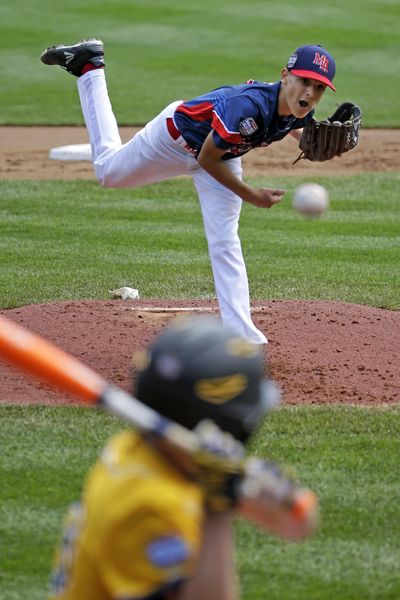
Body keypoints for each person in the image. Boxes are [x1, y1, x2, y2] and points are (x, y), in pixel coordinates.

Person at [41, 40, 336, 345]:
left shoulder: (298, 110)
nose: (309, 93)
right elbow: (206, 159)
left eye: (319, 88)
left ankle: (243, 336)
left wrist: (310, 146)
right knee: (107, 172)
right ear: (285, 75)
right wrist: (251, 195)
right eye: (304, 81)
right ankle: (90, 68)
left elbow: (288, 125)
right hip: (172, 141)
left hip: (222, 154)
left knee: (224, 239)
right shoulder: (248, 106)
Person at [48, 316, 317, 600]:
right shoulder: (150, 506)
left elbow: (300, 524)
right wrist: (217, 510)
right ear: (230, 425)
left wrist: (240, 487)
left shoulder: (139, 450)